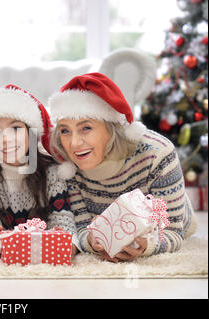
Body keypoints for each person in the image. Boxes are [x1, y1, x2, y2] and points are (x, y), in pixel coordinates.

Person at [48, 72, 198, 262]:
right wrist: (92, 241)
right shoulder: (68, 168)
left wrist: (147, 245)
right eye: (65, 131)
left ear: (111, 128)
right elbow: (81, 228)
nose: (74, 143)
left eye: (86, 128)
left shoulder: (157, 154)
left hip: (171, 216)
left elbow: (173, 232)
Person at [0, 84, 79, 258]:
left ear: (31, 133)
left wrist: (67, 243)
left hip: (45, 252)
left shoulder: (51, 172)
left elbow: (64, 221)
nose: (6, 139)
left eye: (15, 128)